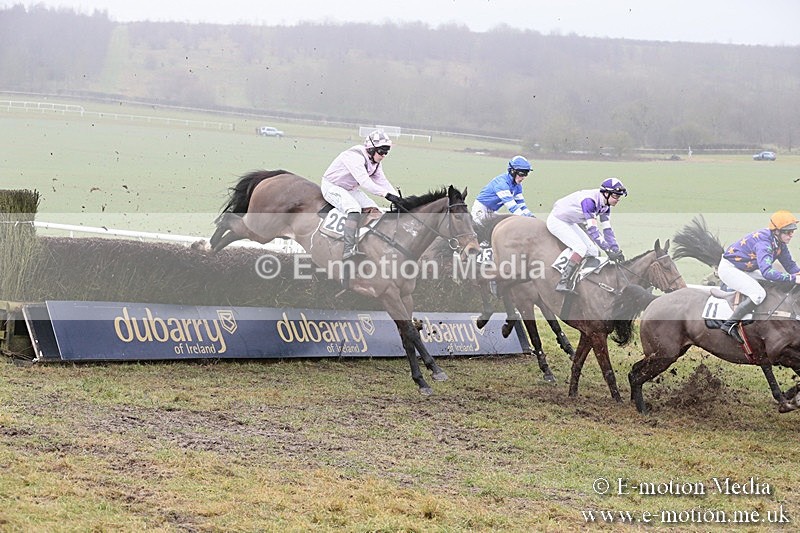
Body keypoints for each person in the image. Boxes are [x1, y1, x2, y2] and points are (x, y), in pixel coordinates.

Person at [717, 210, 800, 343]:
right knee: (758, 294)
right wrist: (793, 278)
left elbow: (790, 266)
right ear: (777, 231)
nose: (791, 235)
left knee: (773, 285)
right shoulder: (764, 243)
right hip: (730, 269)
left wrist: (798, 274)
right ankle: (729, 324)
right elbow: (767, 272)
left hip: (745, 269)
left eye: (792, 232)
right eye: (787, 232)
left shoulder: (779, 243)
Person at [321, 130, 402, 260]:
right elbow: (365, 182)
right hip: (332, 186)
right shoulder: (354, 157)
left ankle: (367, 243)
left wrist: (398, 199)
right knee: (354, 209)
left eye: (386, 152)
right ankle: (348, 250)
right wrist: (387, 195)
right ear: (371, 149)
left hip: (350, 189)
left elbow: (382, 181)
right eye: (381, 151)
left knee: (375, 210)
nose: (383, 155)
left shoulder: (375, 163)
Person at [547, 178, 627, 293]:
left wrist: (615, 249)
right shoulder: (589, 201)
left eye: (619, 197)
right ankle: (563, 282)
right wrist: (608, 250)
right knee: (581, 248)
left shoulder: (606, 205)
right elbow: (593, 230)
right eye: (615, 196)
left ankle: (579, 279)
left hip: (570, 221)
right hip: (557, 221)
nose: (617, 200)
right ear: (606, 193)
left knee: (593, 252)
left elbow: (607, 230)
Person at [471, 156, 535, 224]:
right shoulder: (502, 184)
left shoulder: (518, 186)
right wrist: (525, 219)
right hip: (481, 210)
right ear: (512, 171)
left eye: (526, 174)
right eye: (521, 174)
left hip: (492, 211)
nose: (523, 177)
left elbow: (521, 204)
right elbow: (512, 206)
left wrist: (531, 216)